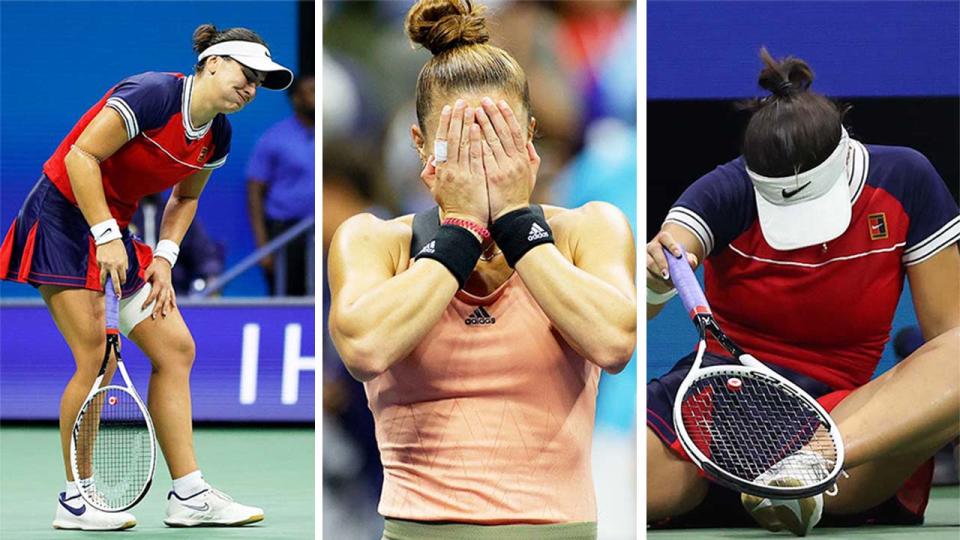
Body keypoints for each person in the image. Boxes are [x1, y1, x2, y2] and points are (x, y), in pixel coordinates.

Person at [327, 1, 637, 539]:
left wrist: (517, 223)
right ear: (420, 144)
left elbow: (613, 343)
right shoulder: (372, 239)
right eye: (462, 139)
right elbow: (365, 350)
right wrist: (463, 232)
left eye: (498, 136)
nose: (482, 159)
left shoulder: (590, 229)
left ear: (532, 137)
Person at [646, 49, 959, 535]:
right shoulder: (727, 188)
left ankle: (804, 472)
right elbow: (667, 259)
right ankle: (770, 487)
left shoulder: (905, 180)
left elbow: (949, 341)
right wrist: (653, 279)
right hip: (712, 406)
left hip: (837, 424)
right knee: (601, 488)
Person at [0, 24, 293, 531]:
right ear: (215, 62)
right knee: (97, 359)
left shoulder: (217, 133)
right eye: (247, 74)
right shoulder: (153, 94)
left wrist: (164, 257)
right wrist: (106, 234)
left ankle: (190, 495)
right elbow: (81, 156)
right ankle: (76, 498)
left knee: (176, 348)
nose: (251, 88)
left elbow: (187, 197)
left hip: (113, 226)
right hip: (63, 218)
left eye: (260, 83)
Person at [246, 74, 316, 296]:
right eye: (312, 91)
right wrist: (263, 246)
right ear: (297, 99)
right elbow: (255, 191)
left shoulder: (330, 134)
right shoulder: (274, 138)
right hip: (286, 233)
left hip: (319, 232)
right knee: (288, 295)